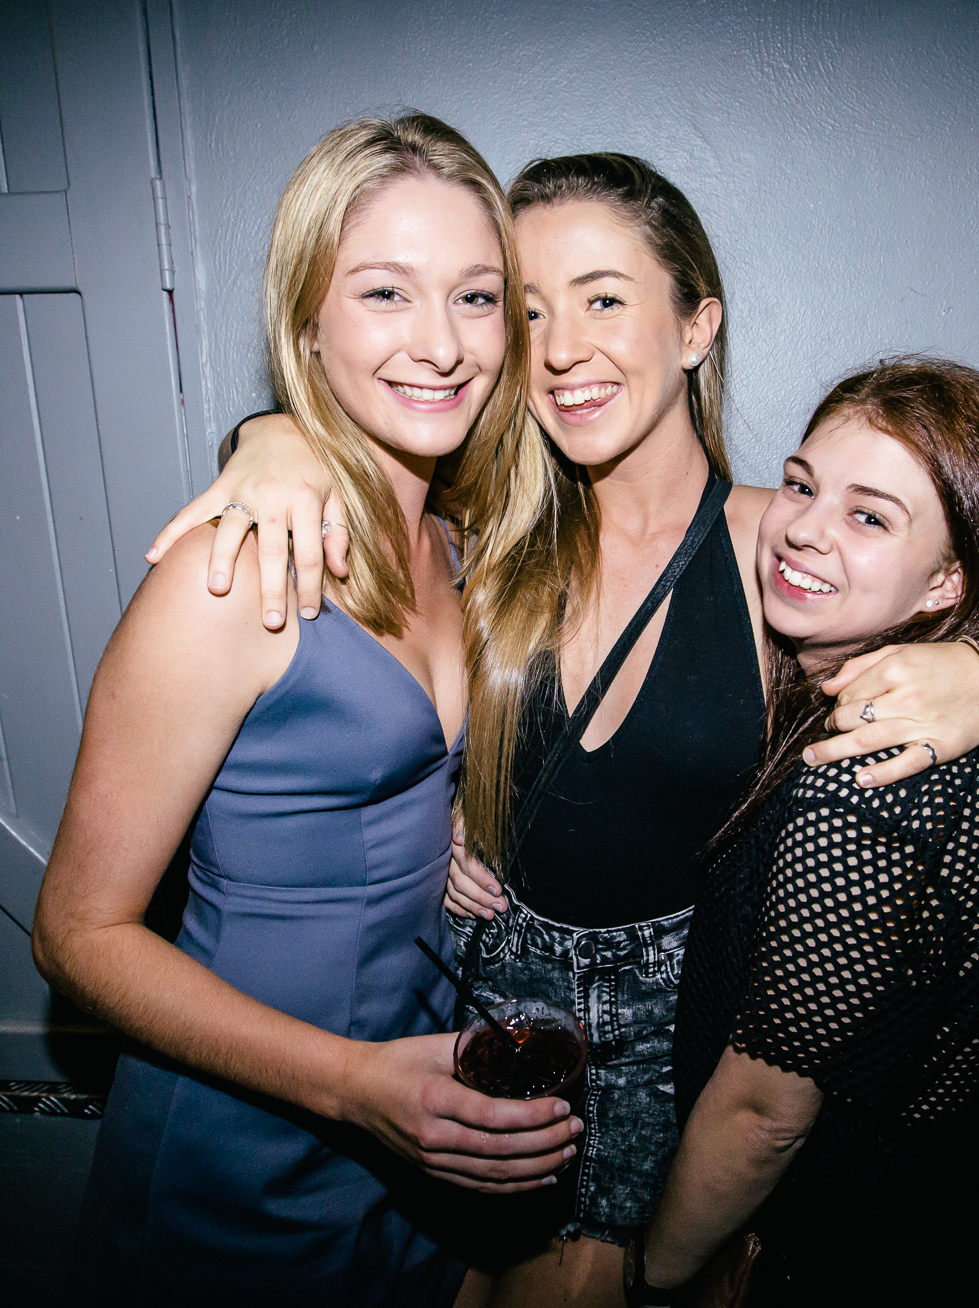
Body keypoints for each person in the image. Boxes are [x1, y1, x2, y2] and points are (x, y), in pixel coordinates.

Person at [147, 154, 979, 1306]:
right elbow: (364, 631)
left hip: (666, 1067)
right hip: (470, 1033)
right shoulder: (482, 537)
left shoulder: (781, 554)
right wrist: (271, 437)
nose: (559, 347)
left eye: (600, 298)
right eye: (527, 310)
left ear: (694, 327)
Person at [30, 114, 580, 1305]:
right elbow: (76, 937)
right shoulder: (231, 576)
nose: (441, 344)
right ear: (306, 323)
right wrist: (348, 1085)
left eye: (476, 299)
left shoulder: (460, 550)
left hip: (419, 1133)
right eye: (384, 293)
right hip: (245, 1153)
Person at [627, 357, 979, 1306]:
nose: (804, 527)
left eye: (869, 517)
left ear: (946, 581)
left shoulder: (866, 781)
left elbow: (762, 1114)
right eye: (801, 484)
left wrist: (654, 1275)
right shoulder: (913, 726)